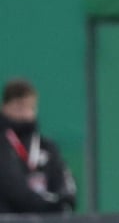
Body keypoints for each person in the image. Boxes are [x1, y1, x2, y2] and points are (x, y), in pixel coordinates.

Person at [0, 78, 76, 214]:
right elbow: (14, 190)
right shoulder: (3, 145)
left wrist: (63, 201)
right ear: (5, 108)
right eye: (19, 107)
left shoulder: (46, 146)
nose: (25, 113)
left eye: (30, 107)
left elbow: (66, 185)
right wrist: (51, 204)